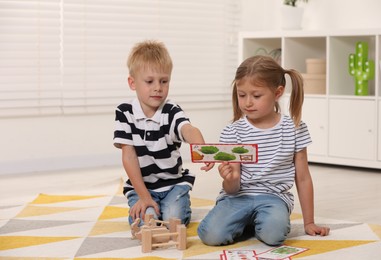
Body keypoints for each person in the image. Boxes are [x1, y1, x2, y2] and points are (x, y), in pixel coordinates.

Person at [197, 55, 330, 246]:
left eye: (256, 96)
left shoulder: (294, 128)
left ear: (277, 93)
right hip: (237, 197)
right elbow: (231, 189)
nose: (247, 102)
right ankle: (249, 221)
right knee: (210, 236)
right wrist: (230, 179)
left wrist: (309, 222)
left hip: (274, 198)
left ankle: (256, 221)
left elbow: (303, 177)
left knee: (274, 235)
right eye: (241, 95)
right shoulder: (232, 131)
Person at [113, 40, 213, 227]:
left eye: (164, 81)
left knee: (173, 220)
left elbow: (187, 129)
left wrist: (202, 148)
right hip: (141, 187)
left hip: (172, 186)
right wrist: (144, 197)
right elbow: (129, 157)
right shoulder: (125, 112)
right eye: (149, 81)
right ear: (132, 83)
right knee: (144, 221)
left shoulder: (171, 110)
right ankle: (147, 206)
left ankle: (178, 206)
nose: (158, 87)